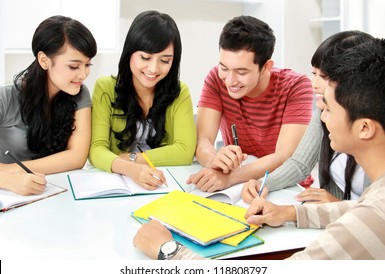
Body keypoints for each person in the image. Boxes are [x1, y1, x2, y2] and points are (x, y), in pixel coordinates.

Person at [133, 37, 385, 260]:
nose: (321, 116)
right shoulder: (374, 205)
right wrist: (290, 213)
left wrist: (168, 251)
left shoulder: (373, 216)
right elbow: (360, 209)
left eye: (328, 108)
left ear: (364, 128)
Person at [242, 31, 373, 204]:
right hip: (337, 218)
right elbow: (299, 164)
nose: (314, 84)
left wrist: (336, 205)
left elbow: (378, 211)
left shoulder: (372, 125)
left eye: (324, 77)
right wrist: (264, 183)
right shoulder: (324, 110)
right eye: (314, 74)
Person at [186, 15, 313, 193]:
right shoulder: (216, 78)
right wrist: (213, 160)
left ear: (266, 67)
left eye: (241, 72)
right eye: (224, 68)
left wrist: (229, 178)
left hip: (284, 185)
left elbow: (285, 157)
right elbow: (203, 140)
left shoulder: (296, 86)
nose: (230, 80)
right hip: (236, 184)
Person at [89, 10, 196, 190]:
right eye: (145, 57)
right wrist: (130, 169)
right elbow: (96, 150)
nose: (153, 68)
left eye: (165, 60)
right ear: (130, 53)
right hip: (117, 184)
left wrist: (135, 159)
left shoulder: (180, 92)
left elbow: (185, 151)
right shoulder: (105, 88)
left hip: (164, 185)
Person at [0, 15, 97, 196]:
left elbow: (76, 157)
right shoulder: (5, 98)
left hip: (55, 194)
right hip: (8, 196)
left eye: (87, 64)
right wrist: (8, 180)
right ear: (44, 60)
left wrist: (11, 169)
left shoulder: (79, 94)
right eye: (74, 66)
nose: (83, 74)